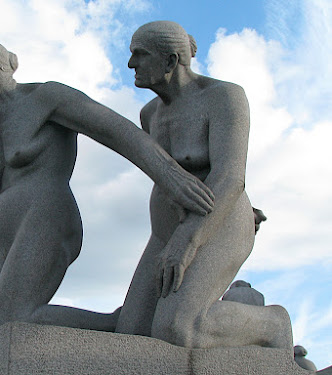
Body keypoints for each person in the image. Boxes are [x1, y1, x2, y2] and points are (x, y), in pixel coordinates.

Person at [0, 39, 215, 342]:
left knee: (9, 320)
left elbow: (116, 131)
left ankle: (117, 324)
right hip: (6, 237)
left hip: (46, 218)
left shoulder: (44, 97)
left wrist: (174, 179)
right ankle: (120, 323)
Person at [115, 21, 292, 349]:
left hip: (219, 224)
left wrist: (187, 241)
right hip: (165, 231)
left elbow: (230, 177)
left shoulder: (224, 97)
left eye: (140, 55)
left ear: (170, 61)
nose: (130, 64)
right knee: (132, 334)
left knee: (177, 329)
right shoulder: (149, 114)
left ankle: (272, 324)